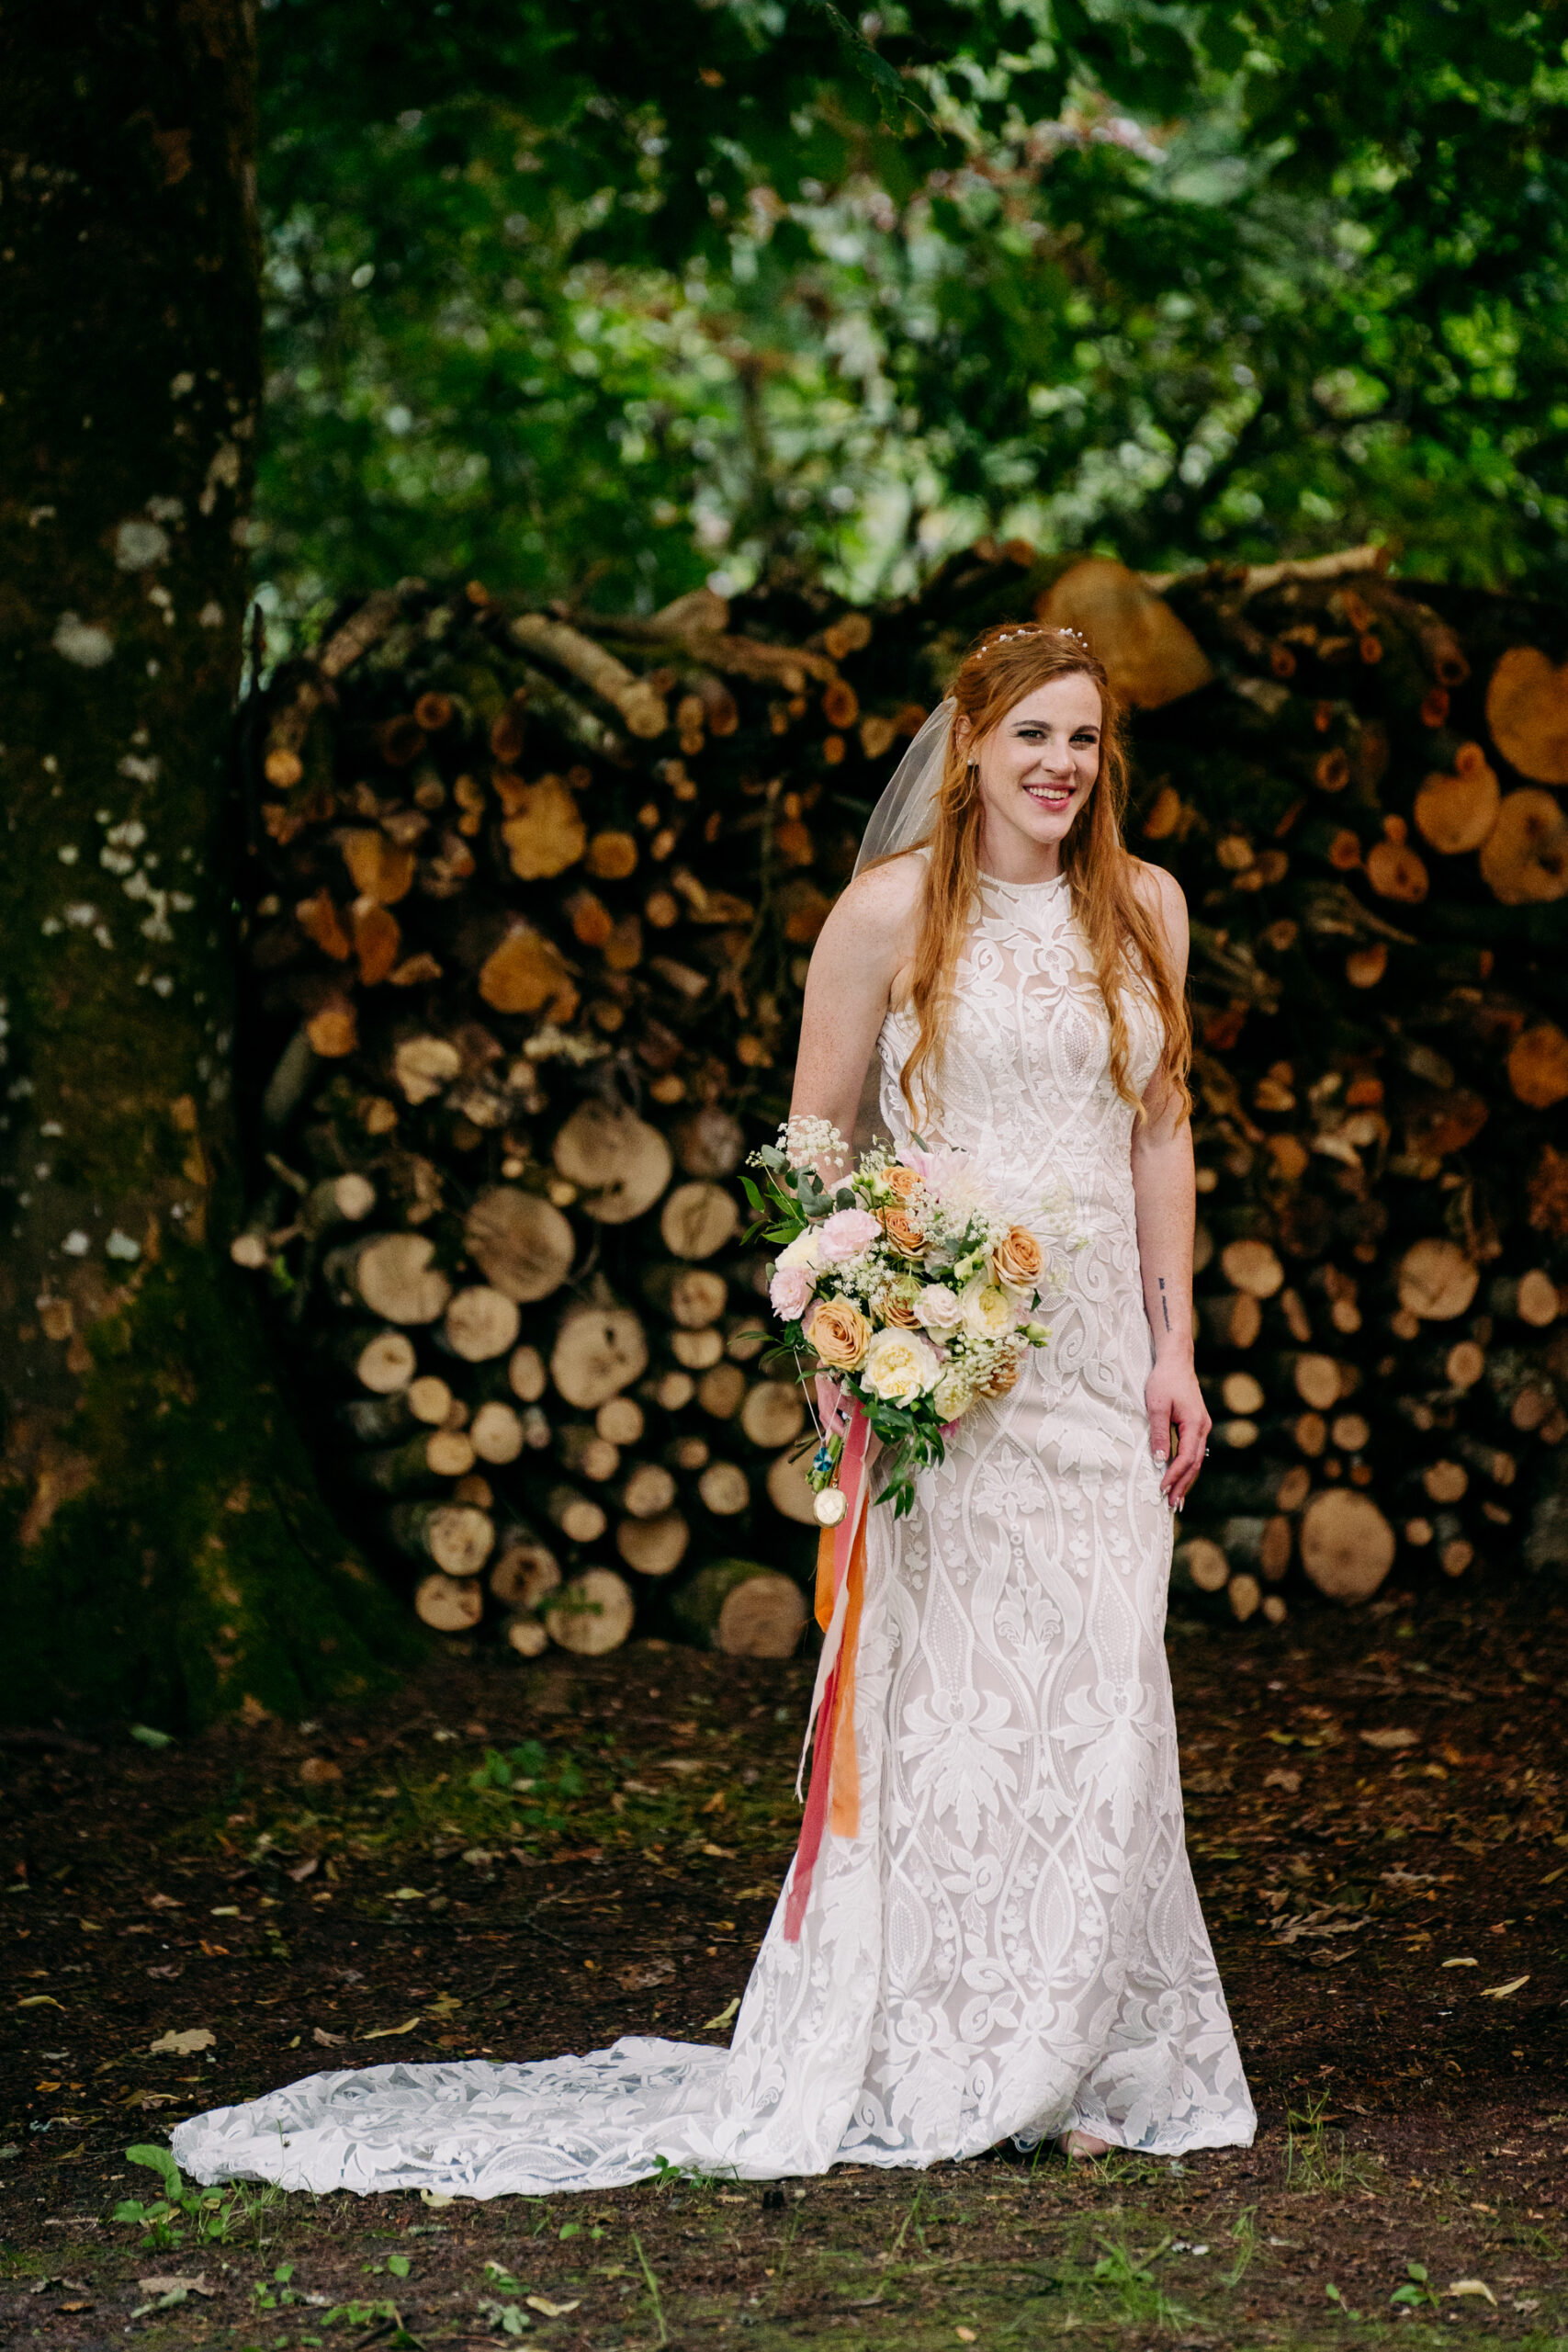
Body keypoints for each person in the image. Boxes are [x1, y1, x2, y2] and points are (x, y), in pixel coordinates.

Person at [172, 620, 1255, 2200]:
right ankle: (951, 2043)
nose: (1058, 768)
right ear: (970, 746)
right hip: (957, 1358)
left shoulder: (1144, 905)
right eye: (1030, 736)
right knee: (952, 1706)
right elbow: (816, 1142)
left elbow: (1160, 1128)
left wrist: (1177, 1345)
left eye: (1082, 740)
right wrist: (855, 1315)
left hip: (1096, 1359)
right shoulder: (888, 914)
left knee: (1104, 1693)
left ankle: (1086, 2051)